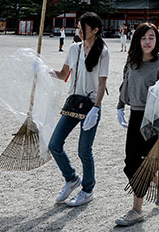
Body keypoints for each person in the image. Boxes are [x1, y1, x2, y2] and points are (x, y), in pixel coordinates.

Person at [114, 23, 159, 226]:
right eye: (143, 38)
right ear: (137, 40)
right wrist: (119, 106)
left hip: (153, 119)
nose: (147, 41)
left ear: (157, 40)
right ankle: (157, 182)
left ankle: (136, 210)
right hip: (135, 115)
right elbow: (125, 86)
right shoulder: (131, 63)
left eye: (151, 37)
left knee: (141, 163)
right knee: (129, 164)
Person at [45, 12, 109, 207]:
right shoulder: (74, 49)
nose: (80, 31)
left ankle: (87, 190)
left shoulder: (103, 52)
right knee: (54, 144)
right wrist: (43, 70)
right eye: (79, 28)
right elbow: (64, 74)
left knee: (84, 151)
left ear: (95, 30)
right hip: (73, 103)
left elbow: (102, 82)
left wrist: (96, 109)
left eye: (83, 28)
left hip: (90, 105)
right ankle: (71, 178)